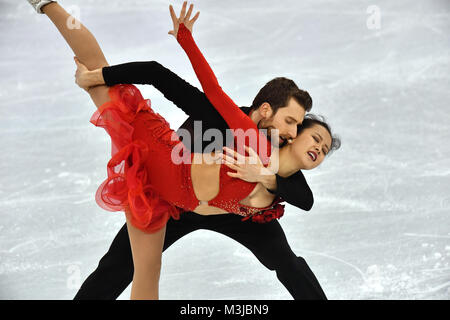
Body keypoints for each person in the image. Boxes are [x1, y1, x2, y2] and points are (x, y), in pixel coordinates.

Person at [27, 0, 340, 299]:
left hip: (235, 212)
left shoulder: (280, 152)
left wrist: (266, 177)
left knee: (286, 262)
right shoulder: (229, 119)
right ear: (267, 109)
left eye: (298, 128)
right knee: (121, 265)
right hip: (175, 198)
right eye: (290, 122)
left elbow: (304, 196)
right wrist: (98, 77)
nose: (292, 132)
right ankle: (48, 6)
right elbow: (165, 77)